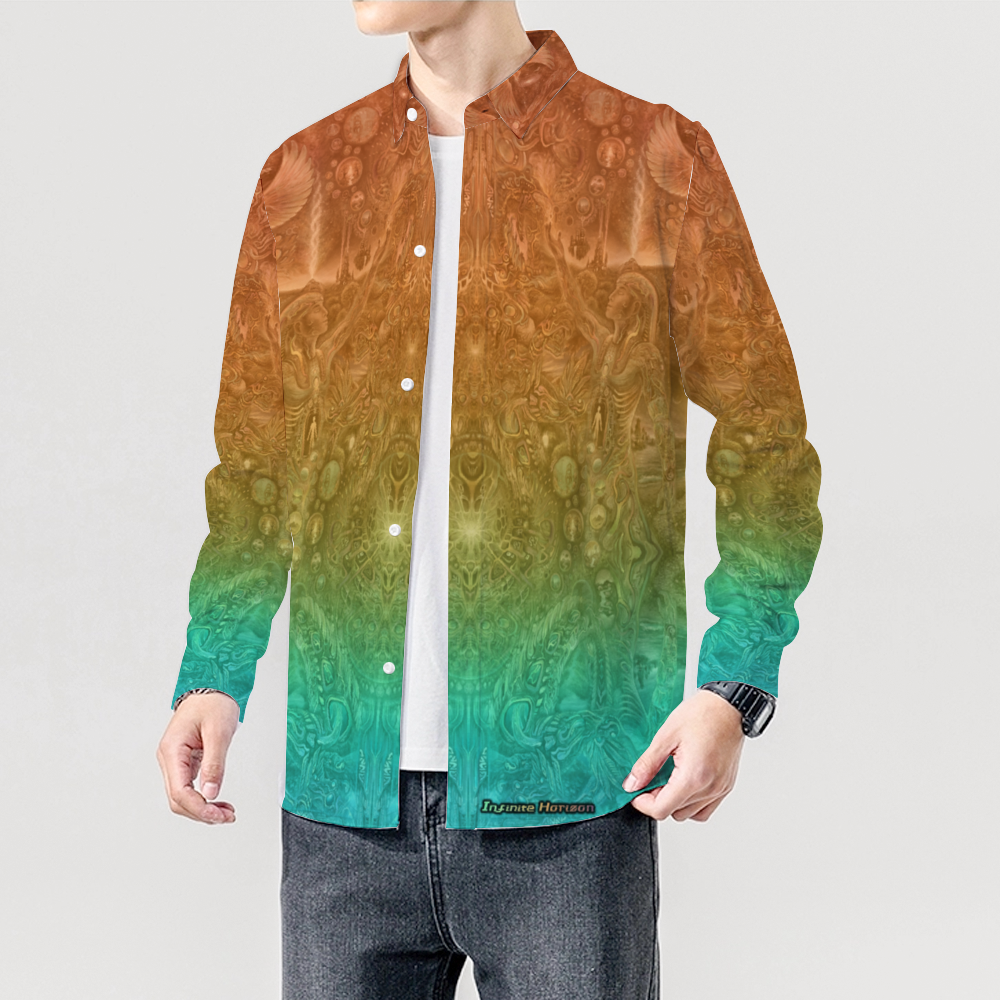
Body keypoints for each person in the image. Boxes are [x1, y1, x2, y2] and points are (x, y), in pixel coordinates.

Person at [156, 3, 823, 998]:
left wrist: (735, 681)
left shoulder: (651, 160)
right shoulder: (306, 178)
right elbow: (259, 463)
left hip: (567, 796)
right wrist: (214, 671)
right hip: (344, 803)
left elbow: (765, 433)